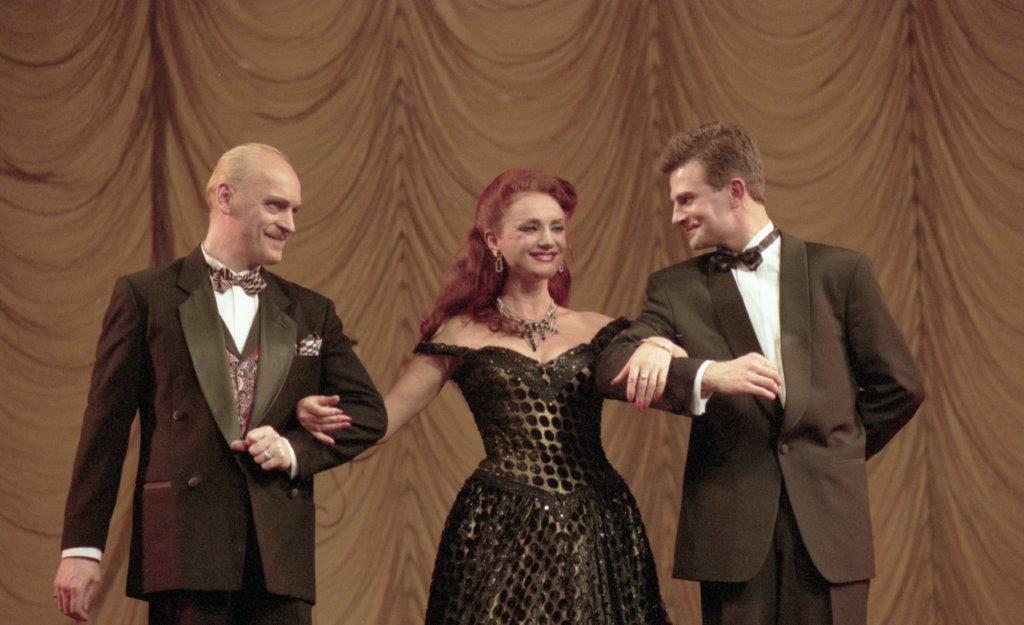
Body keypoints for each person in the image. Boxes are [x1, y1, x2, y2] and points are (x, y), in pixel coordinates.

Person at [298, 169, 672, 624]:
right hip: (500, 526)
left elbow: (674, 383)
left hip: (598, 522)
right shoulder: (459, 334)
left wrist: (660, 344)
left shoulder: (603, 330)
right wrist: (299, 430)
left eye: (557, 227)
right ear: (494, 241)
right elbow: (383, 420)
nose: (548, 239)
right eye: (530, 227)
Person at [595, 123, 925, 625]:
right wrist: (706, 374)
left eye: (686, 199)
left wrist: (834, 450)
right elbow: (612, 366)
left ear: (734, 191)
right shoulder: (675, 289)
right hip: (732, 535)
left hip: (830, 527)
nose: (676, 216)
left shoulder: (842, 272)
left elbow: (901, 386)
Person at [52, 143, 387, 625]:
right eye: (276, 205)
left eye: (294, 210)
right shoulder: (147, 296)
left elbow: (368, 413)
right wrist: (82, 548)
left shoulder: (311, 312)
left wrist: (292, 448)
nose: (290, 224)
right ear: (226, 197)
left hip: (277, 557)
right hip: (186, 549)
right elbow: (104, 431)